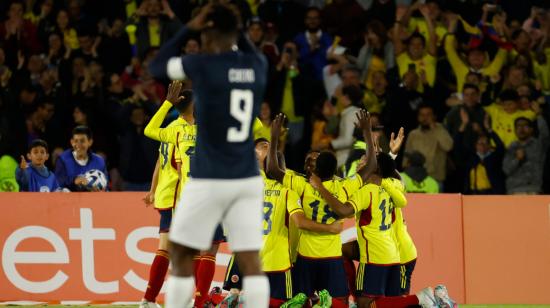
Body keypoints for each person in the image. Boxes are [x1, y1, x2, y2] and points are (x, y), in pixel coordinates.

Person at [148, 4, 270, 307]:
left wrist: (189, 26)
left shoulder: (203, 65)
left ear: (210, 33)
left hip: (207, 178)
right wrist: (237, 29)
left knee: (180, 252)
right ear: (237, 33)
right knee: (251, 260)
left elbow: (157, 66)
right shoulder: (258, 64)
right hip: (246, 177)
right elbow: (247, 49)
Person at [267, 110, 374, 307]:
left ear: (314, 170)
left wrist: (274, 137)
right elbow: (371, 166)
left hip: (306, 255)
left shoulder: (302, 185)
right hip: (331, 256)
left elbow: (273, 169)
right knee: (339, 301)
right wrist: (367, 132)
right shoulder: (344, 186)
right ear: (335, 170)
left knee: (300, 301)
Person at [221, 139, 344, 307]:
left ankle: (237, 296)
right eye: (264, 147)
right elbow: (300, 221)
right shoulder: (288, 189)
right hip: (278, 259)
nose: (269, 147)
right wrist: (330, 227)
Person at [139, 83, 195, 308]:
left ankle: (152, 299)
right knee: (170, 249)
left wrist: (153, 190)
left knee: (176, 249)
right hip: (175, 197)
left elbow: (159, 163)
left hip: (167, 194)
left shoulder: (173, 127)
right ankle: (151, 299)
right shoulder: (181, 130)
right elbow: (177, 166)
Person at [405, 104, 453, 188]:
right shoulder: (413, 134)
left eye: (428, 115)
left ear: (434, 116)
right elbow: (407, 156)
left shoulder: (441, 130)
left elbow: (448, 147)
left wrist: (435, 128)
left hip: (436, 179)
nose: (425, 118)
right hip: (415, 179)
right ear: (418, 117)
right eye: (422, 115)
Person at [503, 116, 549, 194]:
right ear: (515, 130)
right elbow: (506, 169)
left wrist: (539, 115)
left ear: (531, 129)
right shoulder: (511, 147)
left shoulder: (539, 145)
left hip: (534, 189)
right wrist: (517, 159)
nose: (521, 128)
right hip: (514, 190)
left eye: (525, 125)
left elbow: (545, 135)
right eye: (518, 126)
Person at [54, 125, 108, 191]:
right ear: (71, 142)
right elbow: (58, 184)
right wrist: (74, 180)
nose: (78, 145)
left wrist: (100, 189)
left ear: (90, 142)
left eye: (82, 141)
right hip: (70, 199)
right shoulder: (63, 159)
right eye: (76, 141)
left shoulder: (99, 162)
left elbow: (106, 187)